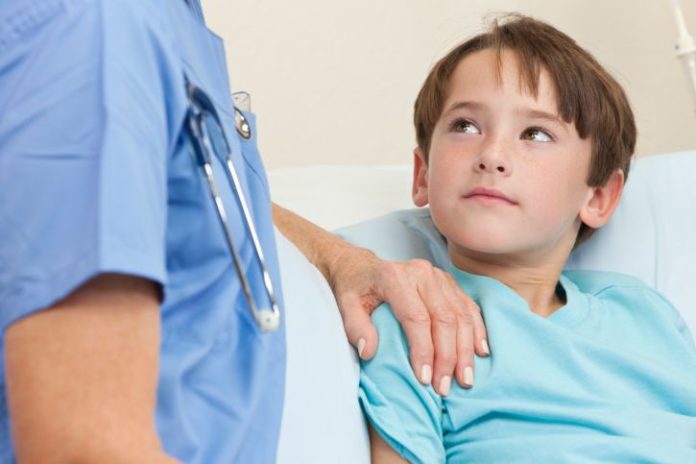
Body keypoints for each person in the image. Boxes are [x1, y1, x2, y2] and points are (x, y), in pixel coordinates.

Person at [0, 1, 489, 462]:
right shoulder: (98, 32)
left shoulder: (160, 25)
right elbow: (85, 449)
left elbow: (186, 184)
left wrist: (337, 258)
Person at [359, 14, 696, 463]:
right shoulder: (414, 322)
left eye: (535, 134)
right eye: (465, 126)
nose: (492, 155)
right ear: (423, 174)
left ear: (598, 197)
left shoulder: (644, 313)